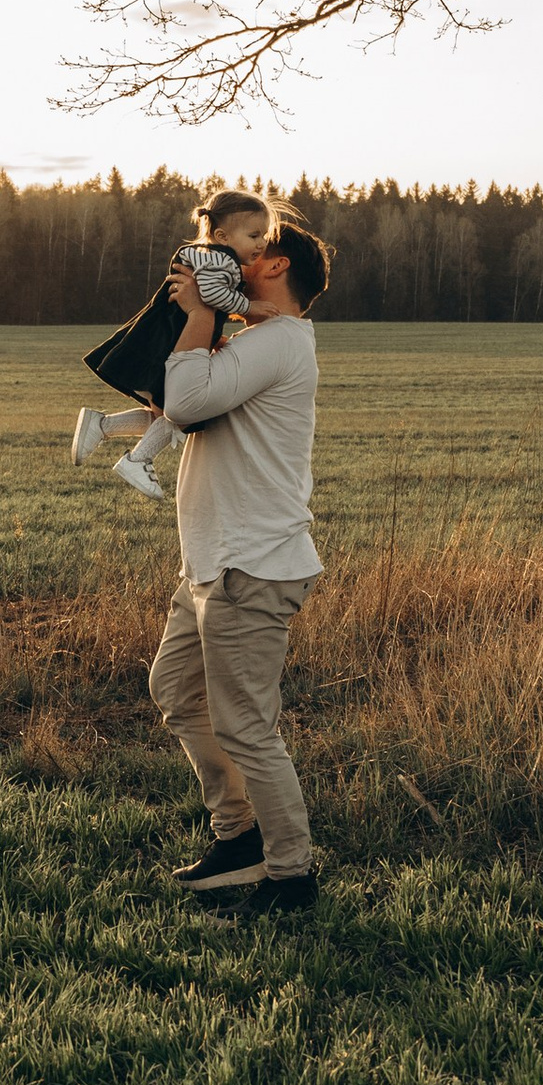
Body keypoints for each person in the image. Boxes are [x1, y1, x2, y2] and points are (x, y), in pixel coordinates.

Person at [149, 213, 331, 917]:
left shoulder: (280, 343)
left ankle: (291, 876)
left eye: (256, 248)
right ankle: (238, 837)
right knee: (177, 693)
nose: (236, 254)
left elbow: (190, 399)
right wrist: (214, 313)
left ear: (280, 267)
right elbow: (179, 406)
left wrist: (199, 311)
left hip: (249, 567)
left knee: (246, 726)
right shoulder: (261, 338)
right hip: (213, 562)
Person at [72, 191, 271, 499]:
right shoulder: (222, 259)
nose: (261, 243)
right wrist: (248, 307)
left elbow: (199, 303)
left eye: (264, 236)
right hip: (169, 342)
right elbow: (212, 295)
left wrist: (211, 335)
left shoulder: (204, 254)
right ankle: (137, 460)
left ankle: (101, 426)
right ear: (222, 235)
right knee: (180, 410)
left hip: (165, 335)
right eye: (254, 235)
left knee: (164, 411)